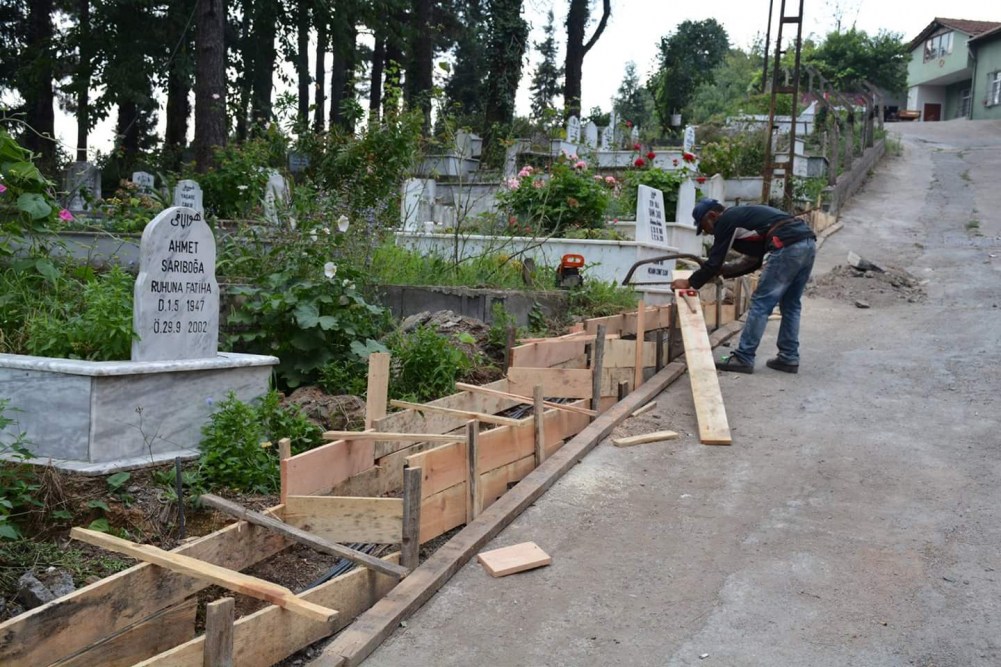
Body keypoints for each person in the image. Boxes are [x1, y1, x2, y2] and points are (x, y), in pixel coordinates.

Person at [670, 198, 817, 374]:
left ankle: (744, 357)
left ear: (712, 216)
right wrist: (722, 272)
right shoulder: (746, 220)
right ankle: (789, 357)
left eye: (704, 226)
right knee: (791, 304)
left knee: (761, 303)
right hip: (807, 243)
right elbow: (752, 261)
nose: (707, 233)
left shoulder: (726, 219)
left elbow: (714, 261)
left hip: (787, 245)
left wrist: (689, 282)